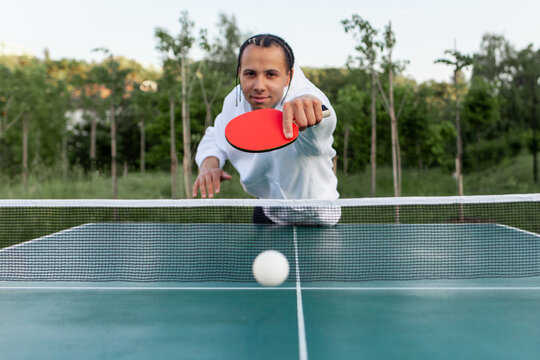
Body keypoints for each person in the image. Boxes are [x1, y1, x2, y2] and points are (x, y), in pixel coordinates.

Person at [193, 34, 340, 225]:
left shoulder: (306, 96)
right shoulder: (235, 100)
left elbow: (324, 120)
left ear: (289, 76)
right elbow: (217, 134)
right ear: (239, 73)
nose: (259, 86)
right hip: (269, 209)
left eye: (271, 74)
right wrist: (209, 164)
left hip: (317, 216)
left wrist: (313, 112)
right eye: (250, 74)